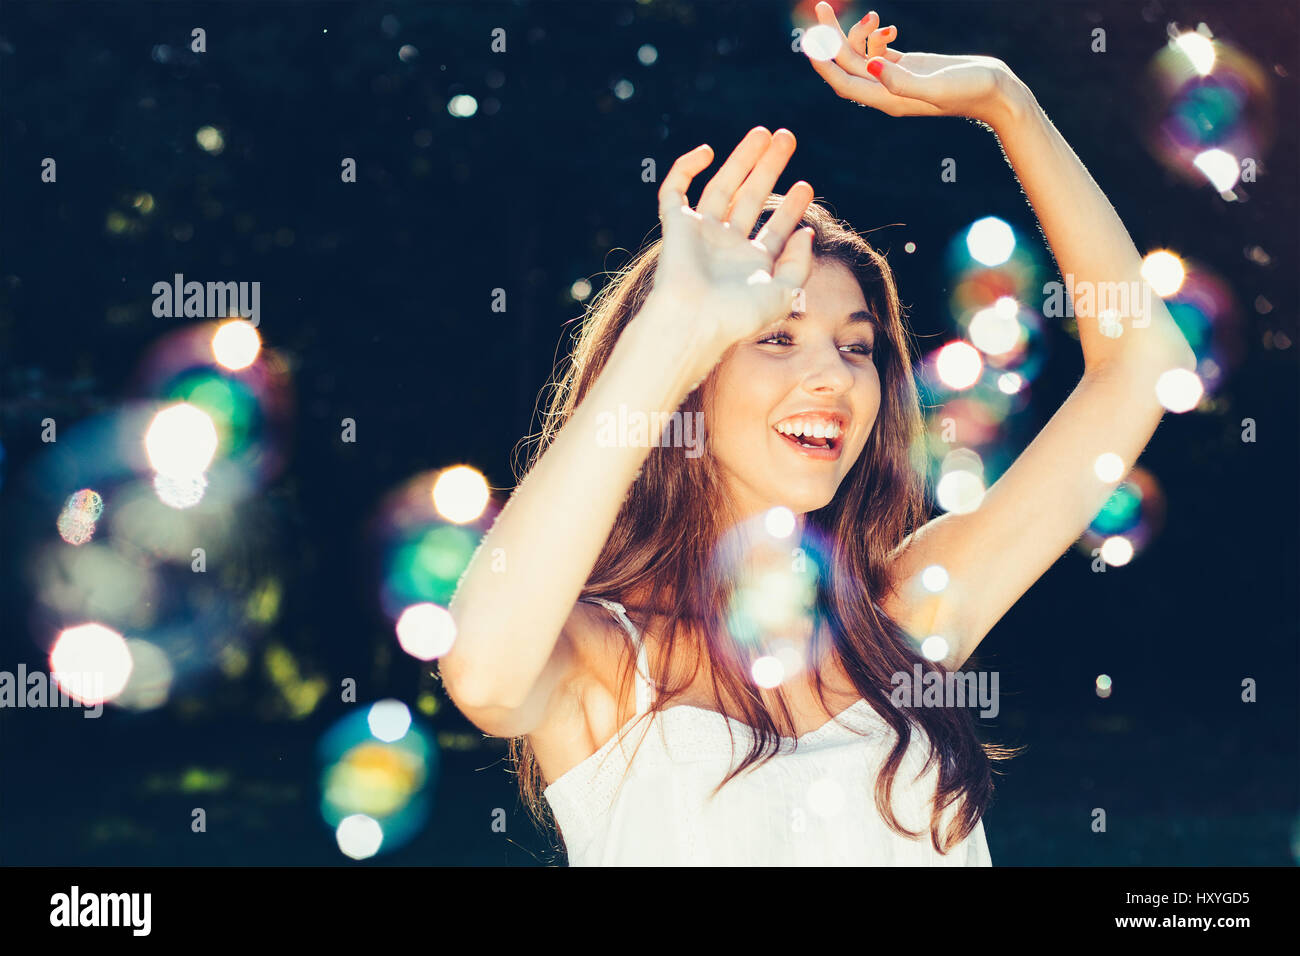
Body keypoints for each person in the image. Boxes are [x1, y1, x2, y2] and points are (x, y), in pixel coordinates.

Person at [439, 5, 1197, 865]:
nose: (834, 377)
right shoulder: (608, 661)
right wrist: (669, 330)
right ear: (691, 375)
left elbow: (1143, 363)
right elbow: (482, 673)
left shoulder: (904, 618)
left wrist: (1006, 100)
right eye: (775, 336)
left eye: (858, 346)